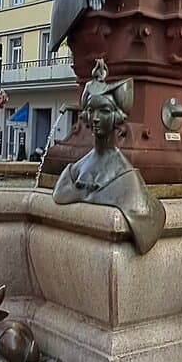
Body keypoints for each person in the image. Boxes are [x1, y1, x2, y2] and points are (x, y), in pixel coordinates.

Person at [52, 60, 165, 255]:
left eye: (104, 111)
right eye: (91, 111)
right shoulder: (76, 169)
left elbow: (145, 226)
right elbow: (59, 195)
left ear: (117, 117)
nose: (95, 118)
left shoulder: (126, 177)